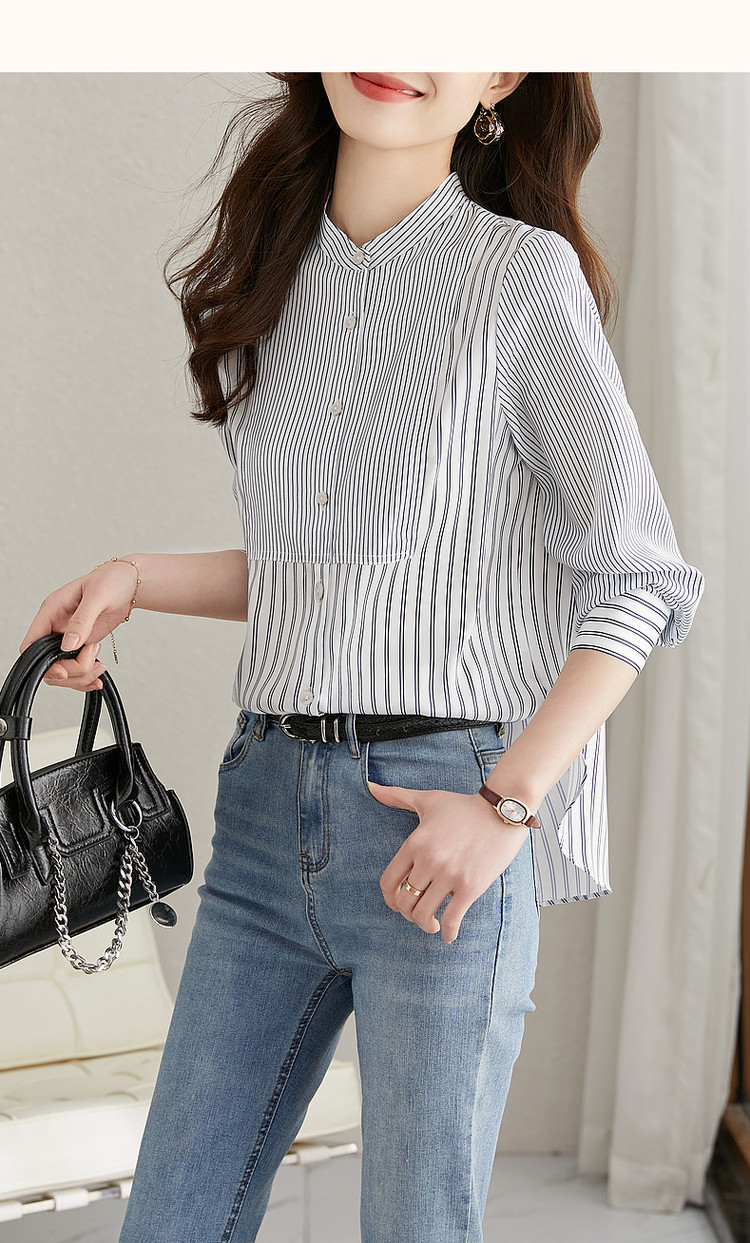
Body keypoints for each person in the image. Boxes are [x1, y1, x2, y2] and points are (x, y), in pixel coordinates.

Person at [20, 72, 705, 1242]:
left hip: (442, 827)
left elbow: (640, 578)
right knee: (172, 1223)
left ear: (500, 74)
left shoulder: (519, 279)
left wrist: (505, 804)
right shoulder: (276, 276)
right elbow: (339, 572)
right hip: (263, 817)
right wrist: (136, 576)